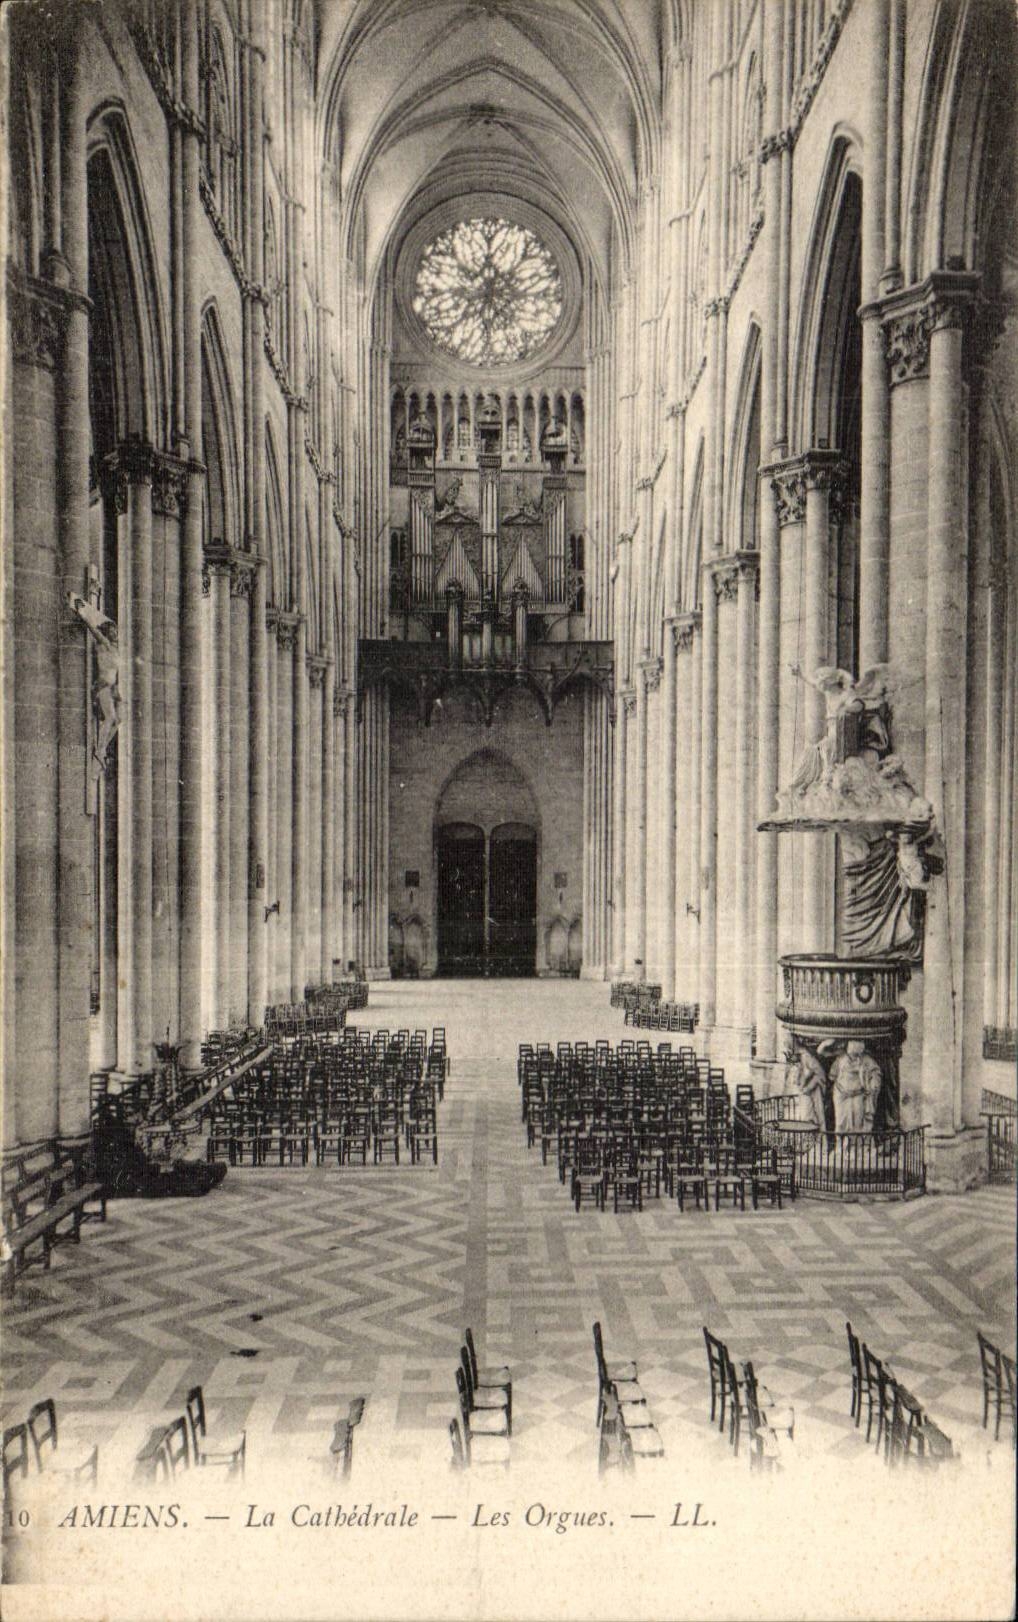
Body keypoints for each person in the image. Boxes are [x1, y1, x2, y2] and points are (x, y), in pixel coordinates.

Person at [830, 1041, 882, 1134]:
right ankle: (841, 1145)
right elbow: (832, 1076)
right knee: (841, 1122)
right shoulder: (840, 1059)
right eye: (852, 1054)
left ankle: (858, 1146)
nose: (854, 1057)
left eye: (856, 1054)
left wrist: (874, 1081)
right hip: (841, 1095)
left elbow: (875, 1071)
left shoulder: (866, 1060)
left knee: (858, 1121)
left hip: (858, 1095)